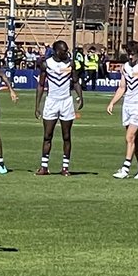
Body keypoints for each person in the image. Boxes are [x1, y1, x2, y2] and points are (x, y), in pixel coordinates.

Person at [34, 40, 82, 176]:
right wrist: (37, 106)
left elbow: (75, 81)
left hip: (66, 101)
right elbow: (41, 85)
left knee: (66, 136)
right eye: (63, 51)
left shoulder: (70, 63)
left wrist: (80, 96)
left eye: (67, 50)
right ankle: (44, 167)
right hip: (51, 102)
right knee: (47, 135)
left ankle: (65, 167)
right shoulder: (46, 64)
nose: (66, 53)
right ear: (56, 51)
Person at [105, 40, 138, 179]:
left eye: (133, 54)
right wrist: (112, 102)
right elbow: (122, 87)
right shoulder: (125, 67)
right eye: (129, 54)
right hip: (127, 105)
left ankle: (125, 169)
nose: (130, 57)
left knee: (129, 137)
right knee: (134, 139)